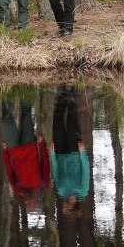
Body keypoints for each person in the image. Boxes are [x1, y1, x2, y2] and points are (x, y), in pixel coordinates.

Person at [1, 99, 50, 212]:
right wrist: (42, 144)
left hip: (13, 150)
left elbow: (9, 172)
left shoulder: (18, 190)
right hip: (30, 146)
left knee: (7, 121)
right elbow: (45, 163)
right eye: (29, 204)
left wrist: (5, 152)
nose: (26, 202)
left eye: (25, 205)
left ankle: (5, 91)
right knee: (26, 115)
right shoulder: (43, 184)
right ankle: (26, 88)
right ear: (37, 202)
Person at [49, 85, 89, 219]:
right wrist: (83, 153)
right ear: (73, 206)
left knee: (57, 121)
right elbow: (86, 171)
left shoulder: (61, 192)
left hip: (59, 153)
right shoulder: (82, 191)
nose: (63, 207)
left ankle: (62, 91)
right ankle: (72, 88)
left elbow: (55, 172)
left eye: (64, 208)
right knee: (72, 119)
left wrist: (52, 155)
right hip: (74, 152)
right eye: (66, 208)